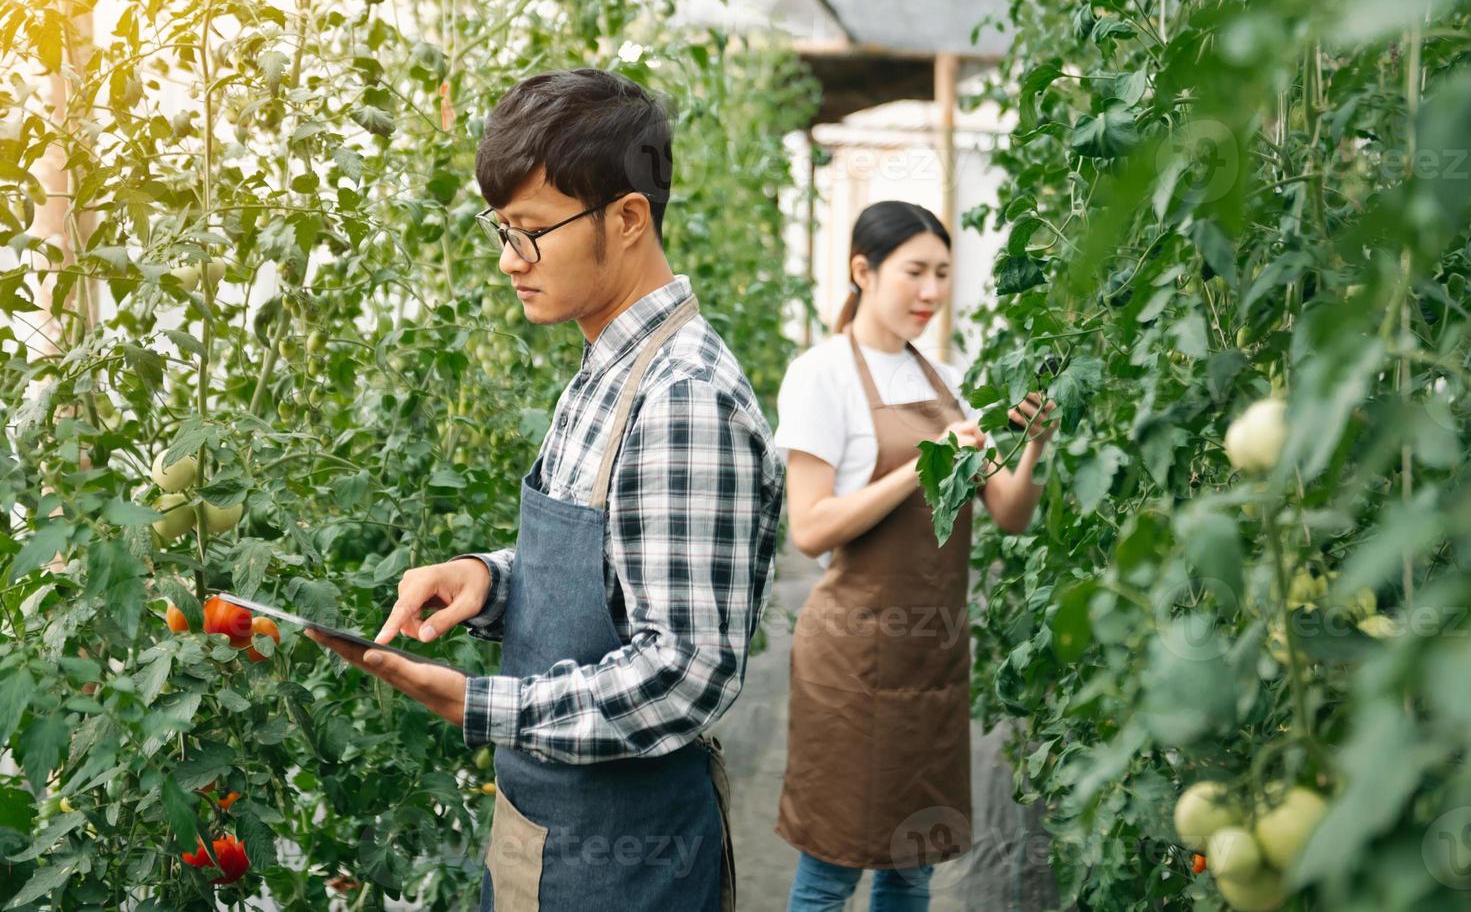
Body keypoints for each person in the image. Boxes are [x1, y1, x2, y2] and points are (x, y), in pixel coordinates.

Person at [305, 68, 784, 912]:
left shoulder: (683, 398)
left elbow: (684, 669)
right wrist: (489, 579)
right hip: (549, 835)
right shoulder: (608, 367)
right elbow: (607, 569)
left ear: (627, 218)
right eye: (500, 229)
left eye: (528, 232)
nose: (506, 261)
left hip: (626, 862)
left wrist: (481, 705)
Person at [771, 200, 1058, 912]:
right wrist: (922, 467)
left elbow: (1011, 515)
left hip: (931, 663)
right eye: (914, 273)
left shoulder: (948, 381)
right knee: (830, 870)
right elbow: (810, 529)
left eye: (942, 275)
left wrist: (1034, 444)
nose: (931, 293)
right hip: (850, 664)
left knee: (912, 865)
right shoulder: (821, 376)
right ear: (862, 271)